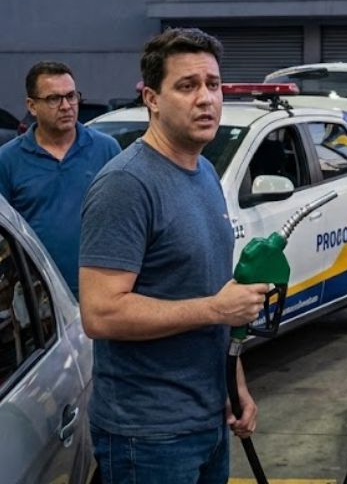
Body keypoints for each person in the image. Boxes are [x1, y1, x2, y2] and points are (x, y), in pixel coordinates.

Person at [78, 28, 268, 484]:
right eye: (187, 86)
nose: (205, 98)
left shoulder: (203, 171)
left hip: (206, 417)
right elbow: (100, 313)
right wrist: (214, 309)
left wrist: (233, 383)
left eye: (213, 84)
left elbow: (215, 293)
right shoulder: (126, 185)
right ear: (152, 98)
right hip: (148, 436)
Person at [0, 61, 120, 296]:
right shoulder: (8, 159)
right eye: (53, 99)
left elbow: (126, 218)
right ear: (32, 106)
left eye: (71, 96)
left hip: (101, 290)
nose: (66, 106)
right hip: (39, 296)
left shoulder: (106, 149)